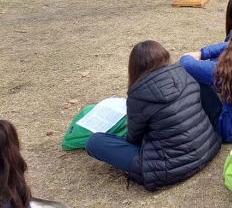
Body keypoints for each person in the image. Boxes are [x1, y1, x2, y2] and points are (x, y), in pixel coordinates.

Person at [85, 41, 221, 191]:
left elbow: (133, 139)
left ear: (134, 68)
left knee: (95, 141)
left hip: (170, 167)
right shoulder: (184, 72)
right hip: (207, 148)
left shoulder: (138, 95)